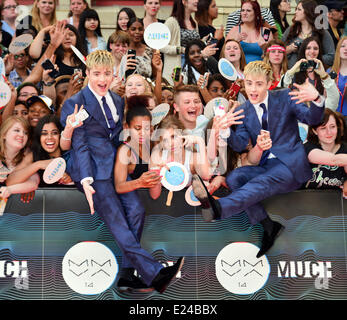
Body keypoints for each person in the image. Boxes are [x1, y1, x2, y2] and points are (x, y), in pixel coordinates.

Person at [60, 50, 184, 293]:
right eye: (96, 74)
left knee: (136, 211)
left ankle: (127, 274)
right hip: (92, 170)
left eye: (107, 73)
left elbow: (120, 138)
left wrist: (133, 162)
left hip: (114, 165)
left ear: (113, 73)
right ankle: (155, 274)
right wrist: (86, 179)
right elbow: (80, 145)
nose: (102, 79)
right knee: (118, 223)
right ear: (87, 74)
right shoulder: (74, 104)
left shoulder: (117, 101)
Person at [191, 60, 325, 258]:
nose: (253, 89)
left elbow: (312, 119)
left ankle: (219, 209)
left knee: (263, 180)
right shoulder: (243, 111)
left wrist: (317, 99)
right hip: (266, 166)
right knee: (235, 178)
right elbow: (239, 145)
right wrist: (226, 131)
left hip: (291, 166)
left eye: (259, 84)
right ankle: (268, 225)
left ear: (269, 82)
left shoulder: (285, 97)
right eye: (249, 83)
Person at [149, 114, 211, 199]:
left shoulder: (193, 157)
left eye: (173, 137)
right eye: (165, 140)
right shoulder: (158, 156)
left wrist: (200, 141)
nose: (171, 144)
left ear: (182, 135)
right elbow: (154, 195)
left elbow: (206, 176)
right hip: (165, 206)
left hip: (189, 207)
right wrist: (157, 174)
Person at [5, 114, 73, 188]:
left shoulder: (71, 154)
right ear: (39, 137)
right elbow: (10, 181)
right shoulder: (33, 155)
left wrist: (72, 179)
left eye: (54, 133)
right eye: (44, 133)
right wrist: (38, 165)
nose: (49, 137)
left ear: (61, 135)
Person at [160, 0, 217, 84]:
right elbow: (161, 46)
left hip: (192, 68)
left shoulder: (194, 22)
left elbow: (192, 45)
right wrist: (181, 50)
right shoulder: (171, 21)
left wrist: (202, 42)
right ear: (184, 2)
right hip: (177, 67)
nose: (197, 1)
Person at [114, 95, 160, 196]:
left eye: (146, 128)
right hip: (136, 202)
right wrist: (140, 182)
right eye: (137, 128)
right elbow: (119, 186)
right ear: (127, 127)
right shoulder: (125, 151)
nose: (142, 133)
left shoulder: (153, 144)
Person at [282, 36, 339, 110]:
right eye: (308, 48)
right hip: (299, 118)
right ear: (303, 51)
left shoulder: (325, 74)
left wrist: (324, 76)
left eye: (315, 48)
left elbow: (333, 102)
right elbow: (281, 95)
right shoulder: (293, 73)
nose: (312, 51)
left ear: (319, 52)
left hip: (319, 117)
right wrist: (290, 72)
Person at [282, 0, 335, 69]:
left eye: (299, 9)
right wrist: (290, 49)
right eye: (296, 9)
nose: (295, 12)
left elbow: (331, 56)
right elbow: (278, 51)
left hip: (314, 75)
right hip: (292, 74)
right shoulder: (291, 30)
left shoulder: (322, 32)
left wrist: (313, 57)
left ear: (308, 12)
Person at [304, 108, 347, 193]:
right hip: (307, 199)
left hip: (336, 201)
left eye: (332, 127)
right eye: (323, 128)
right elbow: (334, 160)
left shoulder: (345, 149)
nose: (329, 132)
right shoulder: (307, 148)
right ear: (314, 131)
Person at [0, 116, 39, 198]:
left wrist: (10, 190)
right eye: (17, 130)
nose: (21, 135)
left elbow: (33, 183)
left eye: (25, 132)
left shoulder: (27, 158)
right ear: (4, 134)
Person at [331, 36, 347, 116]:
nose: (346, 49)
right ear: (338, 50)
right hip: (334, 117)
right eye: (343, 46)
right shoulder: (330, 72)